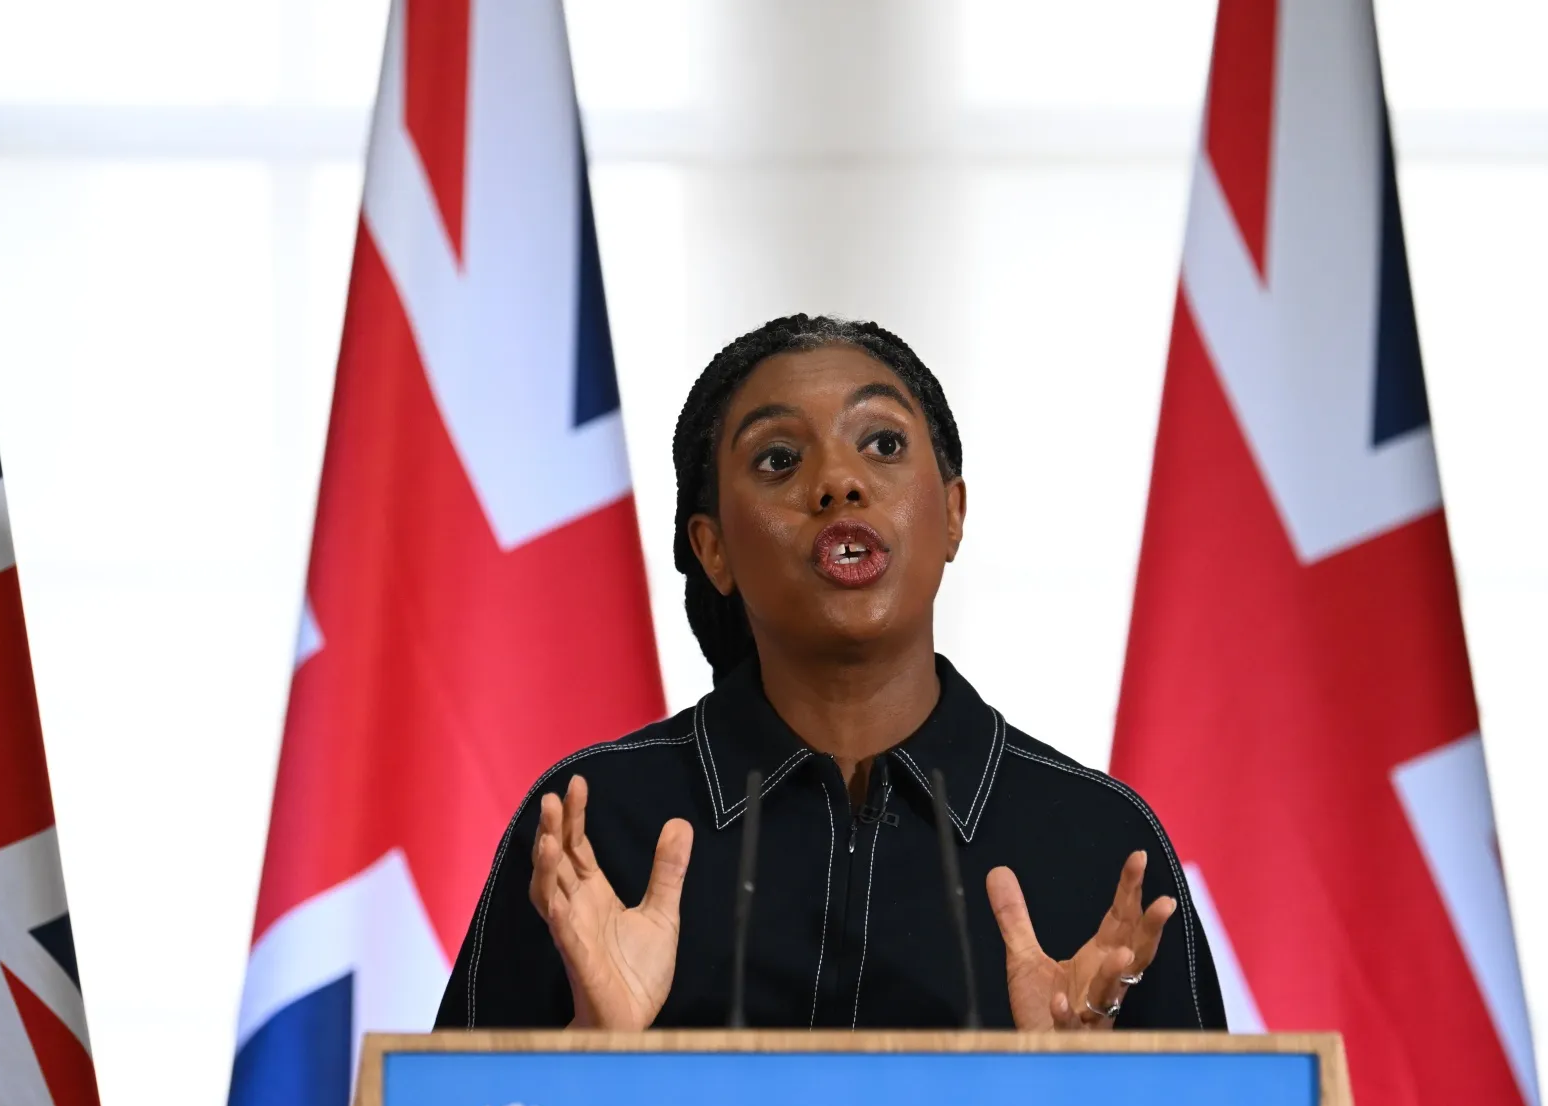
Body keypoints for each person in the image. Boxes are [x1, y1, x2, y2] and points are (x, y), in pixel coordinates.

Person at [436, 315, 1225, 1032]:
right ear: (713, 549)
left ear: (953, 512)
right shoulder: (590, 831)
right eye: (779, 459)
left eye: (882, 444)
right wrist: (592, 1049)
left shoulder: (1099, 842)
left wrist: (1082, 1085)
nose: (839, 482)